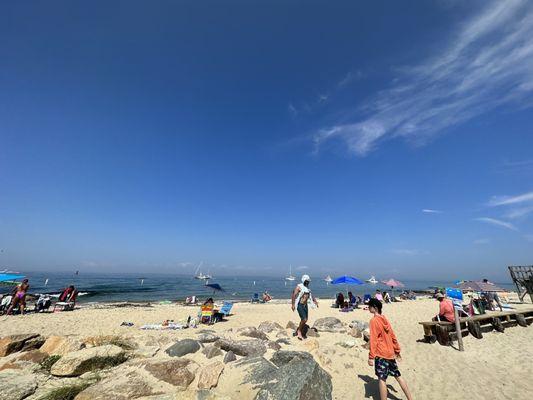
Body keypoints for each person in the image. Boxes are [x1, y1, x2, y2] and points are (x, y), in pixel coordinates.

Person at [367, 298, 413, 400]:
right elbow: (392, 335)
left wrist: (371, 356)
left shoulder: (374, 321)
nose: (368, 308)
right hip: (390, 353)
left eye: (369, 306)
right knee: (398, 376)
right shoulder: (384, 319)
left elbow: (373, 339)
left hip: (381, 354)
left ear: (375, 308)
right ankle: (410, 398)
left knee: (382, 379)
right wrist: (397, 350)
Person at [291, 274, 319, 340]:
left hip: (305, 306)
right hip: (300, 305)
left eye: (308, 281)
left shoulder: (307, 288)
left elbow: (311, 295)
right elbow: (293, 295)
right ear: (304, 280)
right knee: (304, 319)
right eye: (307, 281)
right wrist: (292, 305)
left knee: (305, 319)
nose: (308, 282)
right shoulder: (299, 286)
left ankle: (299, 329)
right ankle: (299, 331)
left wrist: (315, 301)